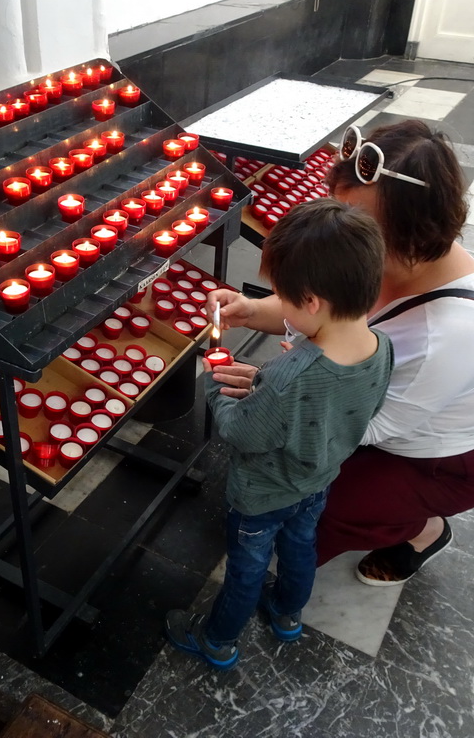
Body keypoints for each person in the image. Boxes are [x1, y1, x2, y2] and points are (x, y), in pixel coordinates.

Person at [206, 119, 474, 587]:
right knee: (297, 479)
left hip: (442, 460)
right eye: (340, 208)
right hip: (370, 407)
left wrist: (286, 395)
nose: (343, 232)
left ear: (412, 230)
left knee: (311, 506)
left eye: (360, 222)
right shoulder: (379, 257)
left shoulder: (449, 332)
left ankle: (421, 527)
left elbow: (371, 425)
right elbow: (321, 305)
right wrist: (249, 310)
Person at [164, 198, 393, 670]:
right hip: (319, 479)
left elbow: (242, 433)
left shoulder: (291, 375)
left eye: (284, 297)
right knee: (300, 548)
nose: (281, 305)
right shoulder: (381, 347)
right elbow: (342, 403)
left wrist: (215, 384)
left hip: (262, 493)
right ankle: (288, 615)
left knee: (246, 570)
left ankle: (218, 640)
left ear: (311, 302)